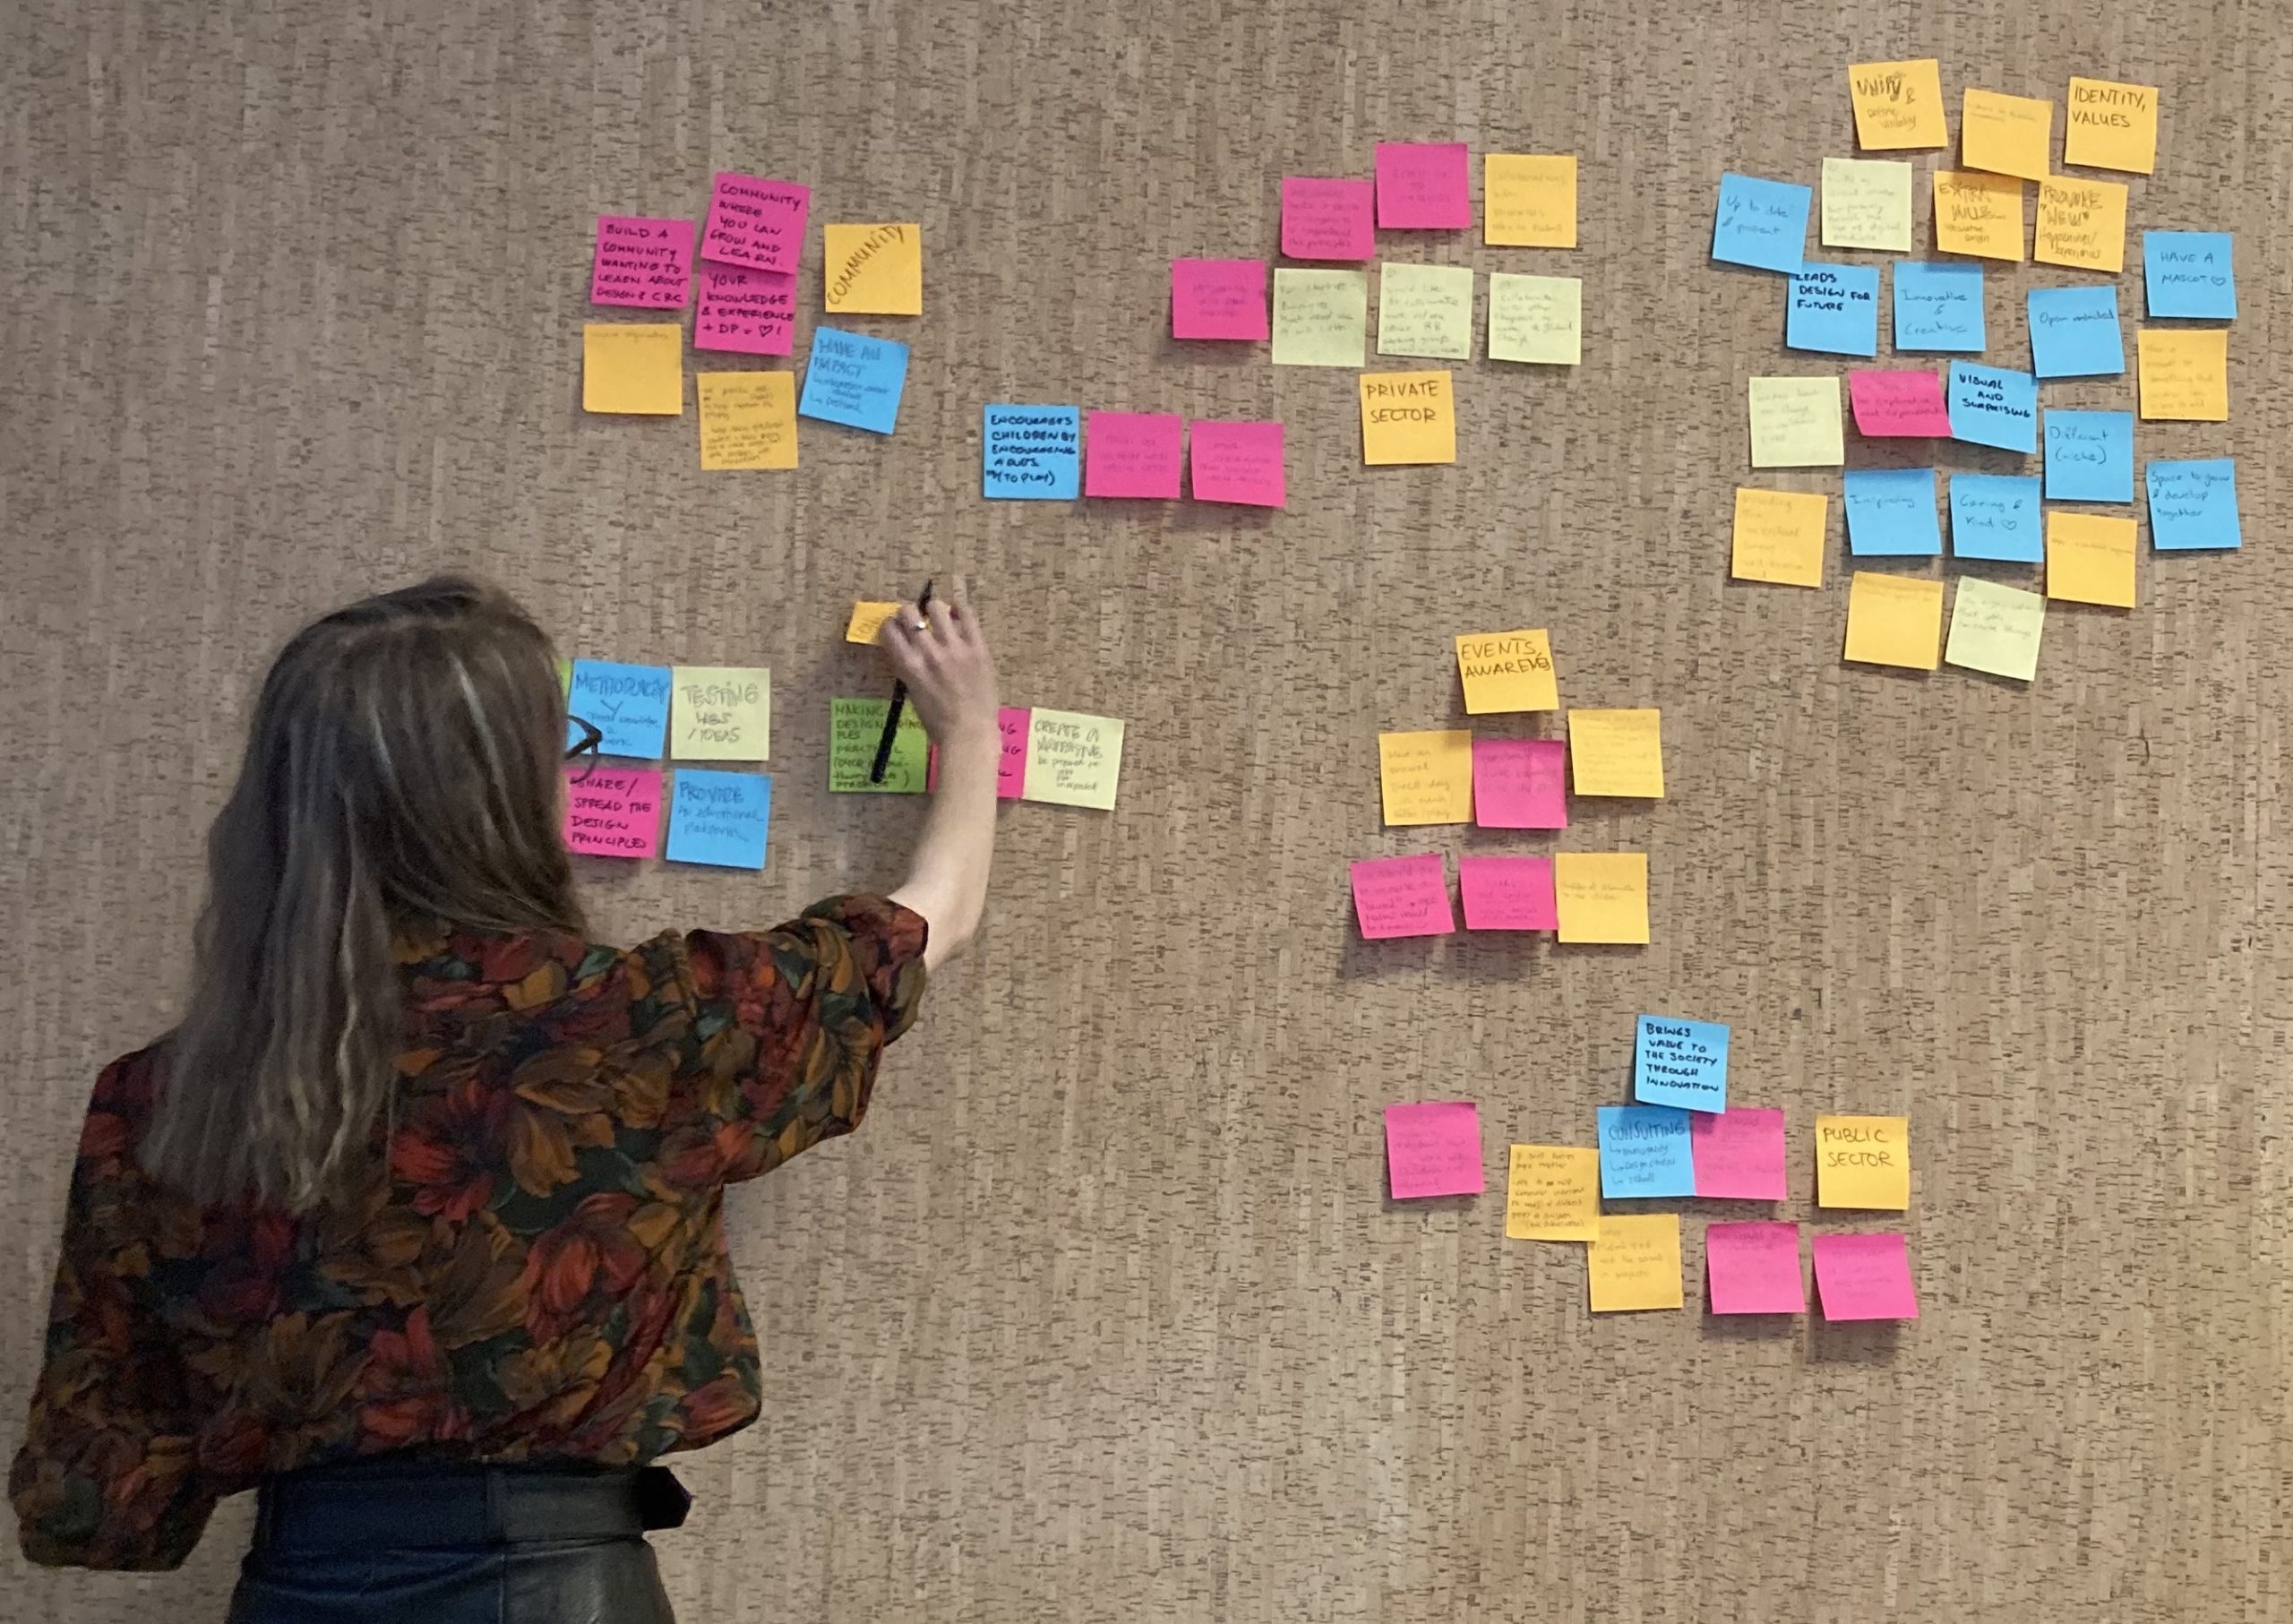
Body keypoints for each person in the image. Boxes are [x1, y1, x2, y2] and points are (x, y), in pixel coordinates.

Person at [8, 576, 1000, 1621]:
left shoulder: (163, 1099)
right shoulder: (642, 1023)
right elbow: (928, 921)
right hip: (562, 1590)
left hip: (299, 1590)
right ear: (506, 794)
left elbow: (94, 1484)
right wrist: (970, 734)